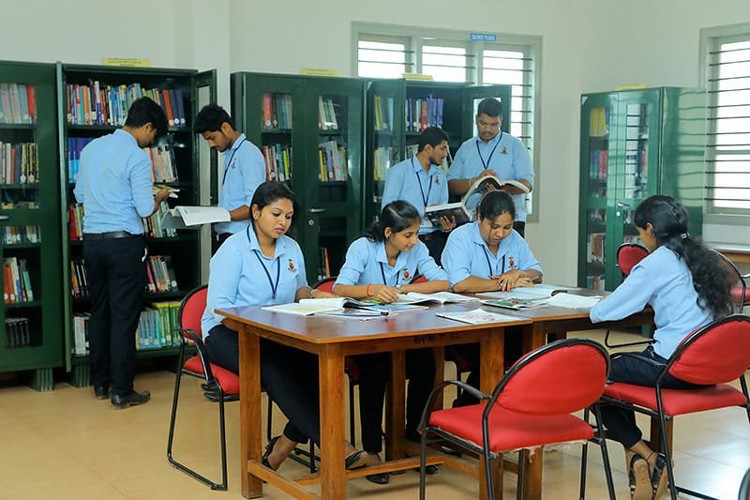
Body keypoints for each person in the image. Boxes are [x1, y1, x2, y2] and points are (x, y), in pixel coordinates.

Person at [201, 181, 366, 471]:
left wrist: (315, 296)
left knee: (322, 365)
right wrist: (260, 333)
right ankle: (335, 445)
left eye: (288, 217)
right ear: (255, 211)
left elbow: (299, 290)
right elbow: (220, 309)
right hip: (227, 332)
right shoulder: (233, 250)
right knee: (273, 367)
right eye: (276, 214)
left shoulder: (291, 248)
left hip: (277, 331)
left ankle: (284, 444)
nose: (283, 223)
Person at [590, 195, 732, 500]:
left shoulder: (655, 263)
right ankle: (639, 460)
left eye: (640, 232)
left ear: (651, 229)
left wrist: (596, 304)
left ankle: (646, 453)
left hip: (676, 368)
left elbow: (604, 313)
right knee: (625, 364)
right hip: (712, 369)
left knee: (591, 374)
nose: (641, 238)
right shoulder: (702, 257)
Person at [333, 200, 450, 484]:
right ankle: (372, 450)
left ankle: (413, 435)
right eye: (407, 235)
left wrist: (403, 289)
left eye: (416, 234)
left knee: (426, 364)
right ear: (388, 233)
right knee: (376, 371)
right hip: (365, 336)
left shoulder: (418, 250)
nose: (414, 240)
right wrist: (372, 289)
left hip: (401, 331)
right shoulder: (363, 248)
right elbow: (339, 287)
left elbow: (443, 282)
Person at [74, 97, 171, 409]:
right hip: (123, 244)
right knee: (124, 317)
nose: (150, 142)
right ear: (146, 127)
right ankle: (122, 391)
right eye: (152, 136)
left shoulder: (91, 149)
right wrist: (160, 197)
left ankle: (101, 383)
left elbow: (78, 195)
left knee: (100, 310)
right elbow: (143, 209)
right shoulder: (136, 157)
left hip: (92, 241)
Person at [441, 190, 543, 406]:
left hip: (506, 320)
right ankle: (469, 406)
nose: (500, 234)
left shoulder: (514, 239)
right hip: (465, 324)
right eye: (494, 226)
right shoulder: (460, 238)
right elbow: (460, 283)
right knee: (501, 347)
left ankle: (507, 408)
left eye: (507, 227)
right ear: (479, 218)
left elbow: (538, 273)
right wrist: (502, 283)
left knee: (533, 346)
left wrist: (520, 274)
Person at [447, 97, 533, 237]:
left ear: (501, 121)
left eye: (494, 124)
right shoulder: (466, 148)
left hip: (508, 221)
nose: (488, 129)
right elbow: (451, 184)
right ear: (476, 119)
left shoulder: (515, 146)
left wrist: (502, 190)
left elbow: (528, 184)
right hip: (473, 221)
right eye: (483, 123)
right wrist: (474, 182)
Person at [194, 104, 265, 252]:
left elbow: (254, 205)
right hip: (227, 237)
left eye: (212, 138)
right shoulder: (231, 153)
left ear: (225, 127)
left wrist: (223, 215)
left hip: (239, 238)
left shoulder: (248, 153)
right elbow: (232, 202)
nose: (210, 144)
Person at [381, 126, 455, 264]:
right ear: (428, 149)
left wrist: (446, 223)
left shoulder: (441, 175)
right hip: (407, 241)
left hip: (435, 241)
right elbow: (387, 210)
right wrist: (422, 211)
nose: (446, 154)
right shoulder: (399, 172)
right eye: (442, 148)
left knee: (435, 282)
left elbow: (443, 207)